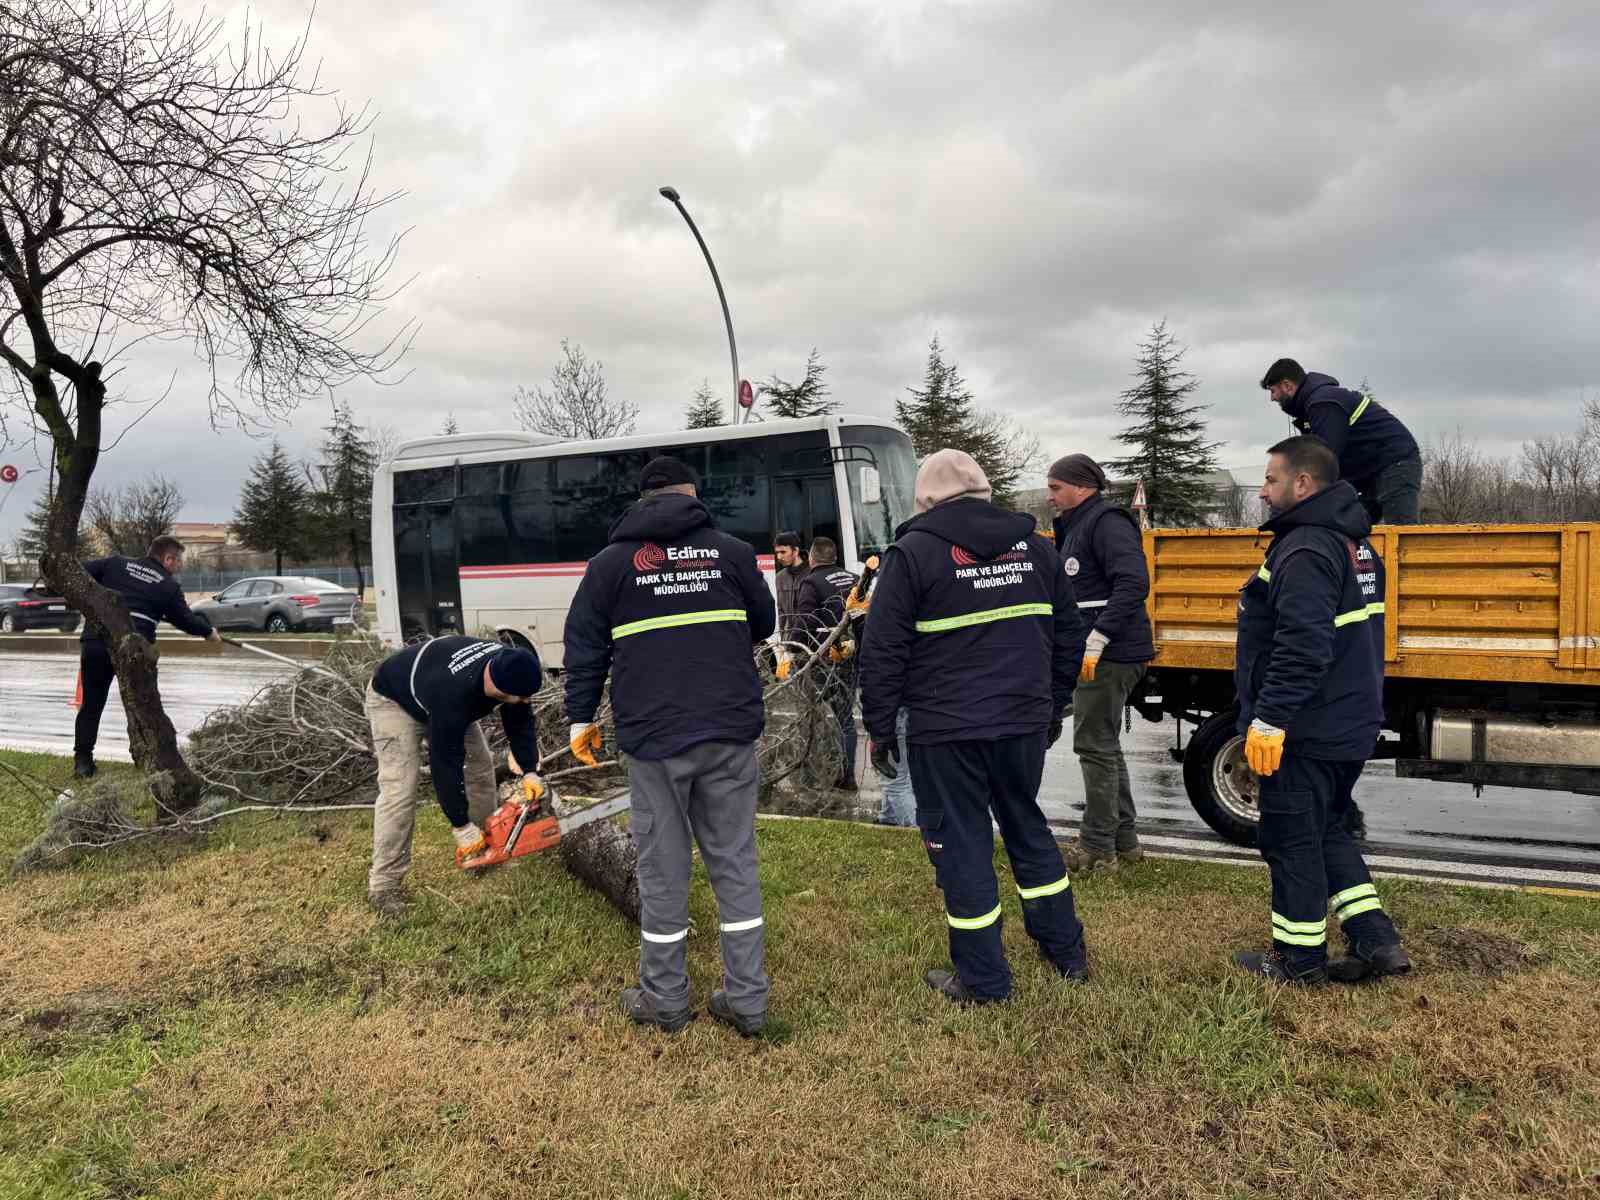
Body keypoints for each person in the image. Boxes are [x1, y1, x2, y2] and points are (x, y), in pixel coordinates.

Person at [859, 448, 1089, 1004]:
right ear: (985, 491)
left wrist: (880, 726)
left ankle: (984, 981)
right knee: (1026, 827)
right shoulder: (1036, 549)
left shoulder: (911, 554)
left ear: (925, 499)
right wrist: (1053, 704)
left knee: (960, 844)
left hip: (946, 730)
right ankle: (1066, 952)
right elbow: (1070, 634)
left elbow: (883, 649)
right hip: (1022, 724)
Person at [564, 456, 778, 1036]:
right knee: (734, 862)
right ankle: (749, 1001)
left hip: (655, 738)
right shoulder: (731, 552)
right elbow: (763, 622)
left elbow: (583, 648)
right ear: (692, 495)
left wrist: (580, 719)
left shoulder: (608, 565)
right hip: (729, 731)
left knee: (662, 870)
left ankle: (665, 999)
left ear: (642, 499)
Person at [1233, 435, 1410, 985]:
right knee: (1330, 830)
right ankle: (1378, 941)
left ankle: (1297, 962)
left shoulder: (1307, 546)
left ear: (1303, 483)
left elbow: (1303, 646)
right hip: (1349, 720)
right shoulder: (1357, 545)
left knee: (1291, 842)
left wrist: (1269, 720)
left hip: (1306, 729)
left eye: (1269, 479)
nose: (1263, 491)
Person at [365, 637, 544, 920]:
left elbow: (520, 723)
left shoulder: (509, 667)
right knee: (400, 788)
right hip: (394, 700)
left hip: (438, 692)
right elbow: (445, 763)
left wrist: (530, 770)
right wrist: (460, 825)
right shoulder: (454, 694)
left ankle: (485, 851)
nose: (526, 702)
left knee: (481, 767)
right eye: (521, 697)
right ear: (499, 688)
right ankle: (384, 885)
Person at [1046, 453, 1153, 872]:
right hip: (1102, 651)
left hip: (1110, 653)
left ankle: (1096, 849)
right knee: (1104, 744)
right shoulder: (1078, 526)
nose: (1051, 497)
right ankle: (1124, 841)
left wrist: (1099, 635)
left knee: (1093, 745)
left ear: (1082, 487)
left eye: (1056, 488)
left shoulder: (1106, 523)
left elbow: (1134, 581)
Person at [73, 535, 220, 779]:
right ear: (168, 558)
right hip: (134, 652)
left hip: (96, 643)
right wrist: (208, 631)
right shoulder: (167, 585)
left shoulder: (115, 564)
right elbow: (185, 619)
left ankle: (83, 762)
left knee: (91, 704)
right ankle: (151, 759)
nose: (179, 567)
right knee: (144, 707)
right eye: (178, 561)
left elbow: (77, 573)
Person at [1260, 359, 1422, 525]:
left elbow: (1323, 462)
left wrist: (1291, 503)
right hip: (1369, 471)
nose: (1272, 398)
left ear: (1287, 385)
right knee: (1354, 528)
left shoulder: (1324, 403)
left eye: (1273, 391)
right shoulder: (1311, 408)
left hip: (1395, 461)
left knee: (1402, 531)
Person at [793, 536, 861, 791]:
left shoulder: (811, 581)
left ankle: (812, 776)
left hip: (822, 660)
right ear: (834, 558)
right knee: (845, 718)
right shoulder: (854, 578)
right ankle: (847, 777)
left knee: (813, 716)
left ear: (812, 558)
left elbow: (804, 623)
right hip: (849, 657)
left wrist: (792, 651)